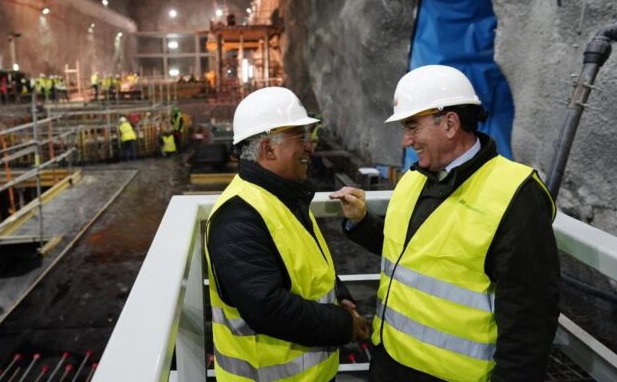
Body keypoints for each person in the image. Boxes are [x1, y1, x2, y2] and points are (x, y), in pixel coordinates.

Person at [329, 65, 559, 382]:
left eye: (412, 127)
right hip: (390, 362)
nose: (406, 141)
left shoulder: (516, 196)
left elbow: (529, 318)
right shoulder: (415, 181)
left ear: (450, 123)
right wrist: (362, 222)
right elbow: (410, 254)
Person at [205, 87, 369, 382]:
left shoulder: (282, 197)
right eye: (301, 137)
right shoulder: (238, 217)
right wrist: (344, 325)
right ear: (268, 149)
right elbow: (268, 308)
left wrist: (340, 297)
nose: (310, 147)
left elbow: (309, 265)